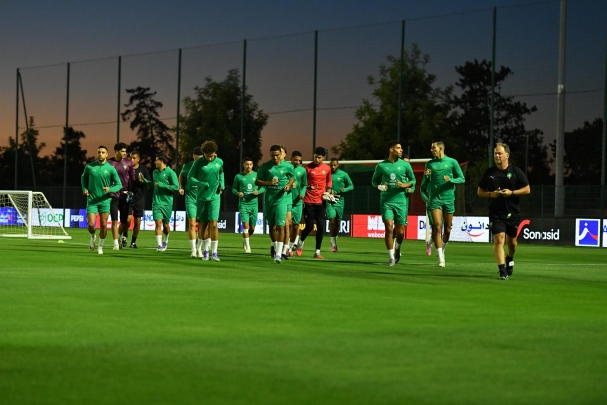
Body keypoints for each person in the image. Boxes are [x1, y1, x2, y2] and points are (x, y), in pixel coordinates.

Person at [478, 143, 530, 280]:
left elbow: (527, 189)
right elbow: (480, 191)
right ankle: (502, 270)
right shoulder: (489, 173)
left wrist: (511, 193)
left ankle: (510, 257)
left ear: (507, 155)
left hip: (513, 212)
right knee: (499, 239)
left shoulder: (516, 172)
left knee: (512, 243)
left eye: (499, 153)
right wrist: (492, 194)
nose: (496, 156)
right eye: (495, 153)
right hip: (496, 213)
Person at [420, 140, 465, 267]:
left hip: (449, 199)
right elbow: (424, 184)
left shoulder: (452, 162)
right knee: (437, 226)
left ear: (441, 148)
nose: (431, 150)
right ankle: (441, 258)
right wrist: (425, 194)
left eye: (433, 147)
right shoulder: (429, 164)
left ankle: (441, 249)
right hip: (435, 199)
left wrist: (451, 180)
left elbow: (461, 178)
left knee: (448, 229)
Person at [371, 141, 415, 266]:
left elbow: (413, 180)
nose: (401, 150)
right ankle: (391, 258)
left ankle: (397, 248)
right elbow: (374, 181)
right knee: (389, 227)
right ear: (391, 149)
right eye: (398, 148)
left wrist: (404, 185)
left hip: (401, 201)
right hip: (386, 201)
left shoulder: (405, 165)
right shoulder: (381, 165)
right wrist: (380, 187)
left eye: (401, 148)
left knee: (400, 232)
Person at [256, 144, 294, 264]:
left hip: (282, 200)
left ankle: (278, 254)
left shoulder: (288, 166)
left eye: (277, 155)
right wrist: (268, 183)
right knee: (272, 226)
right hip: (269, 200)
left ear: (281, 154)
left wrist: (288, 185)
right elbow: (257, 181)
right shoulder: (265, 166)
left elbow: (292, 178)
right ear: (270, 155)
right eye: (273, 155)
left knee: (281, 226)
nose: (275, 158)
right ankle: (274, 244)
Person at [81, 146, 122, 255]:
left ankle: (100, 247)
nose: (100, 154)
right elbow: (83, 178)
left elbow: (119, 184)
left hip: (105, 201)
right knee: (91, 225)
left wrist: (110, 189)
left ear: (107, 154)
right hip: (92, 200)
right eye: (99, 152)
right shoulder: (90, 166)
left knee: (103, 225)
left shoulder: (110, 168)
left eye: (103, 152)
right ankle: (93, 236)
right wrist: (84, 189)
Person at [187, 141, 224, 262]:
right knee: (203, 225)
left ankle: (215, 252)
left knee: (214, 224)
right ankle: (205, 250)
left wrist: (222, 185)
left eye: (212, 156)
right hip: (202, 197)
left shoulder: (219, 161)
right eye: (208, 156)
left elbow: (221, 173)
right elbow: (190, 178)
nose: (210, 158)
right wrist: (201, 184)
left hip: (215, 197)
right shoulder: (198, 162)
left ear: (215, 153)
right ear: (204, 154)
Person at [295, 147, 332, 259]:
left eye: (319, 157)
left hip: (321, 202)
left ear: (323, 157)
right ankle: (300, 243)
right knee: (309, 226)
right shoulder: (307, 168)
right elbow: (302, 182)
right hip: (309, 201)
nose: (317, 159)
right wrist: (307, 188)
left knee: (321, 226)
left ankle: (317, 252)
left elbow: (329, 180)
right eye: (315, 157)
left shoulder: (327, 168)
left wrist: (329, 191)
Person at [139, 155, 179, 251]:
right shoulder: (155, 172)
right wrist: (144, 180)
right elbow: (154, 185)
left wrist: (162, 185)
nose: (154, 162)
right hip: (156, 202)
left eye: (156, 160)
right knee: (158, 223)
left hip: (167, 202)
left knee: (166, 225)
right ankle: (159, 245)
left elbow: (176, 187)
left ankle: (166, 240)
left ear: (161, 161)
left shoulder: (170, 172)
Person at [107, 142, 136, 250]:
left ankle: (119, 236)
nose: (124, 153)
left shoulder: (128, 163)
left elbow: (133, 178)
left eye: (125, 151)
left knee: (125, 221)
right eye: (122, 151)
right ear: (116, 151)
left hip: (125, 195)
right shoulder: (109, 163)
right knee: (114, 219)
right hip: (113, 194)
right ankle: (115, 243)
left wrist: (131, 190)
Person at [232, 157, 265, 253]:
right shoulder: (239, 176)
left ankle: (245, 239)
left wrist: (258, 192)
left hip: (254, 204)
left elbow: (263, 187)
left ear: (252, 165)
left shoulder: (257, 175)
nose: (248, 166)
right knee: (245, 225)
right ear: (243, 165)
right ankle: (248, 247)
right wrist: (238, 193)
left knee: (252, 228)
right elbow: (233, 189)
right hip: (243, 204)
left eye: (250, 164)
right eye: (247, 164)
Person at [179, 147, 203, 258]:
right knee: (192, 223)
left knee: (202, 225)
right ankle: (193, 250)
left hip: (203, 199)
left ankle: (199, 248)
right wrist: (181, 187)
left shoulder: (206, 167)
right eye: (196, 158)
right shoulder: (187, 166)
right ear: (193, 156)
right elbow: (181, 175)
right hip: (190, 199)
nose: (198, 160)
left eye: (200, 158)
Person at [328, 158, 354, 252]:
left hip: (340, 201)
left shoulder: (344, 174)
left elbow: (351, 185)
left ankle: (334, 239)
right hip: (330, 200)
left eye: (334, 165)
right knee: (332, 221)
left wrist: (345, 189)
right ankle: (334, 245)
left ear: (338, 165)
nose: (333, 167)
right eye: (331, 165)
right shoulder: (327, 174)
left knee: (337, 223)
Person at [128, 151, 151, 248]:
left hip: (139, 198)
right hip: (128, 197)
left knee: (137, 222)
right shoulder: (126, 168)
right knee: (128, 220)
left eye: (134, 158)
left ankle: (133, 242)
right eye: (130, 158)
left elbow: (149, 183)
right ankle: (124, 235)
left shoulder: (143, 169)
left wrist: (143, 180)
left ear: (138, 159)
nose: (131, 160)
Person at [288, 151, 307, 256]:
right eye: (295, 160)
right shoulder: (287, 168)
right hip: (287, 201)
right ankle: (285, 247)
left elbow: (304, 184)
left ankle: (290, 247)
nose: (297, 162)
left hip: (298, 202)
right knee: (287, 225)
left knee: (296, 226)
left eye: (299, 160)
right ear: (291, 159)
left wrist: (302, 193)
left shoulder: (302, 170)